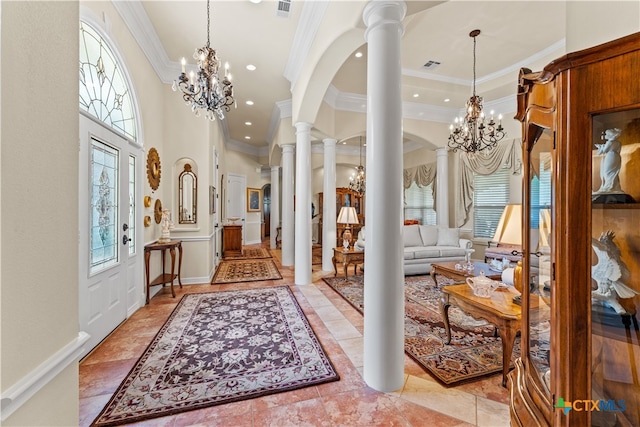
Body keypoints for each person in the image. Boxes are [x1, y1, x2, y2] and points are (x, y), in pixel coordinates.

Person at [595, 128, 623, 193]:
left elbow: (604, 151)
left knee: (607, 172)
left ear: (610, 135)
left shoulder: (609, 142)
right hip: (616, 156)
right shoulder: (618, 143)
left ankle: (609, 187)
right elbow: (618, 151)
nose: (605, 135)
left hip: (610, 156)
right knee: (613, 172)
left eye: (607, 134)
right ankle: (614, 187)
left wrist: (600, 147)